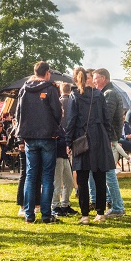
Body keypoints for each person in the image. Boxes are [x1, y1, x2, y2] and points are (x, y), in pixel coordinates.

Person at [14, 61, 63, 223]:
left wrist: (20, 136)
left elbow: (18, 114)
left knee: (30, 175)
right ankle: (46, 214)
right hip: (48, 136)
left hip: (30, 137)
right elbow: (57, 112)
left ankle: (29, 215)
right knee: (47, 176)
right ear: (47, 73)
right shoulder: (50, 88)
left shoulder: (24, 89)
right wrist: (56, 126)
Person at [65, 67, 114, 224]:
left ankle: (85, 215)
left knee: (82, 178)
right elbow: (107, 118)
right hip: (99, 137)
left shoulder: (74, 96)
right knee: (100, 176)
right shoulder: (98, 94)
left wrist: (68, 141)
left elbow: (71, 120)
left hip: (81, 138)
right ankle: (100, 212)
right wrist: (108, 136)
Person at [92, 68, 126, 218]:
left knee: (109, 174)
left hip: (108, 139)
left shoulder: (109, 94)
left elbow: (106, 118)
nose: (93, 81)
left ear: (103, 78)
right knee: (108, 174)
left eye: (95, 78)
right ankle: (115, 205)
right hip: (110, 138)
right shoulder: (110, 92)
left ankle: (118, 207)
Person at [51, 82, 76, 217]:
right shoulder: (55, 124)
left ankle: (65, 204)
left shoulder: (61, 126)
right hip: (58, 155)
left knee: (69, 181)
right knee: (58, 181)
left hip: (64, 155)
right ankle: (55, 205)